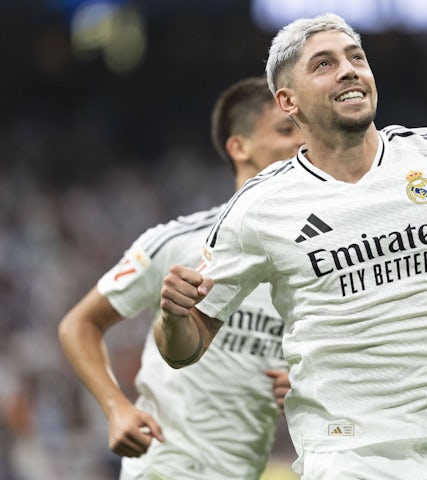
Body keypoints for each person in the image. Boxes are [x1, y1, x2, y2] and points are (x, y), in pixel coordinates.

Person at [155, 13, 427, 480]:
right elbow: (186, 345)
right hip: (346, 453)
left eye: (355, 57)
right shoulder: (259, 206)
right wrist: (174, 317)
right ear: (288, 102)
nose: (348, 70)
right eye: (323, 64)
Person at [58, 76, 303, 480]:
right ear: (239, 147)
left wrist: (303, 386)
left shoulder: (308, 258)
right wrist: (116, 407)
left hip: (243, 470)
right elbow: (78, 324)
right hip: (169, 465)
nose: (302, 143)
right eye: (285, 130)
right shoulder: (180, 242)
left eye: (304, 130)